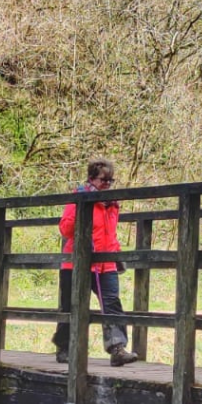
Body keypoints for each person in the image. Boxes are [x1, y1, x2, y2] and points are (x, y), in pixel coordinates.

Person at [53, 157, 137, 367]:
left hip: (105, 263)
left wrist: (116, 255)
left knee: (112, 305)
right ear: (92, 178)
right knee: (70, 307)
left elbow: (110, 234)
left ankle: (117, 349)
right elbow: (65, 229)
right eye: (104, 180)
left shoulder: (112, 204)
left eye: (111, 180)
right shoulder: (79, 198)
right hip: (77, 263)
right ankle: (65, 348)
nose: (107, 184)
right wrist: (82, 212)